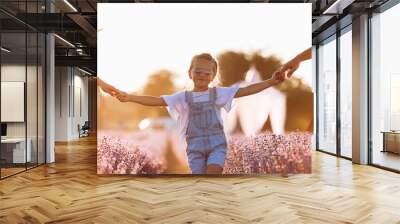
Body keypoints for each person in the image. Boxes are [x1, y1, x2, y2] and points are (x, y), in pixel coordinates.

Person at [99, 53, 287, 174]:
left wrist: (271, 82)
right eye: (198, 71)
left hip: (216, 145)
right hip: (194, 147)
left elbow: (245, 91)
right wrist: (130, 97)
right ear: (190, 73)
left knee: (212, 174)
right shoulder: (182, 97)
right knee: (198, 180)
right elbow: (157, 100)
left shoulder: (219, 93)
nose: (202, 76)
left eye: (207, 73)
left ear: (213, 76)